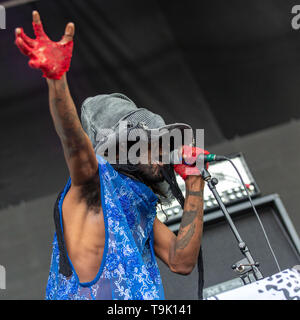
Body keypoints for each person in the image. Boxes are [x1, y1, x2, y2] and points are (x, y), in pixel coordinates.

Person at [14, 11, 205, 300]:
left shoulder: (138, 206)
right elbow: (75, 144)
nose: (160, 152)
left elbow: (182, 261)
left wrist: (194, 182)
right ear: (121, 149)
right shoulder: (96, 180)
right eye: (148, 142)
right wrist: (56, 79)